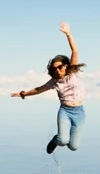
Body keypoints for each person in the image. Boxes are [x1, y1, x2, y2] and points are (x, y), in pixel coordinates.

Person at [12, 22, 87, 154]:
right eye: (55, 68)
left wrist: (68, 34)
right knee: (63, 140)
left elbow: (74, 51)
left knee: (74, 146)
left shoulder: (72, 73)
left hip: (79, 112)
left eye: (60, 67)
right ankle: (55, 140)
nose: (58, 70)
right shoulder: (54, 81)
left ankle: (60, 139)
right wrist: (23, 94)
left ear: (66, 66)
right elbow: (39, 89)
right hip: (65, 111)